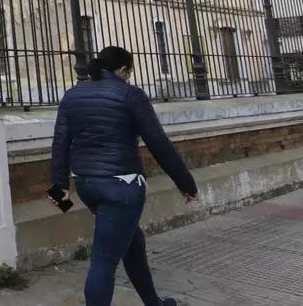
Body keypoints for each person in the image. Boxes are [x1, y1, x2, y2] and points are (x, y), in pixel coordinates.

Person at [49, 46, 198, 306]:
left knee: (132, 242)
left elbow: (60, 142)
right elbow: (158, 142)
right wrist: (186, 184)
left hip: (86, 184)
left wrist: (60, 187)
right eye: (129, 72)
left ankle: (154, 302)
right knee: (104, 260)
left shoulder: (72, 96)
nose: (129, 77)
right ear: (122, 70)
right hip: (122, 187)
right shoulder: (130, 95)